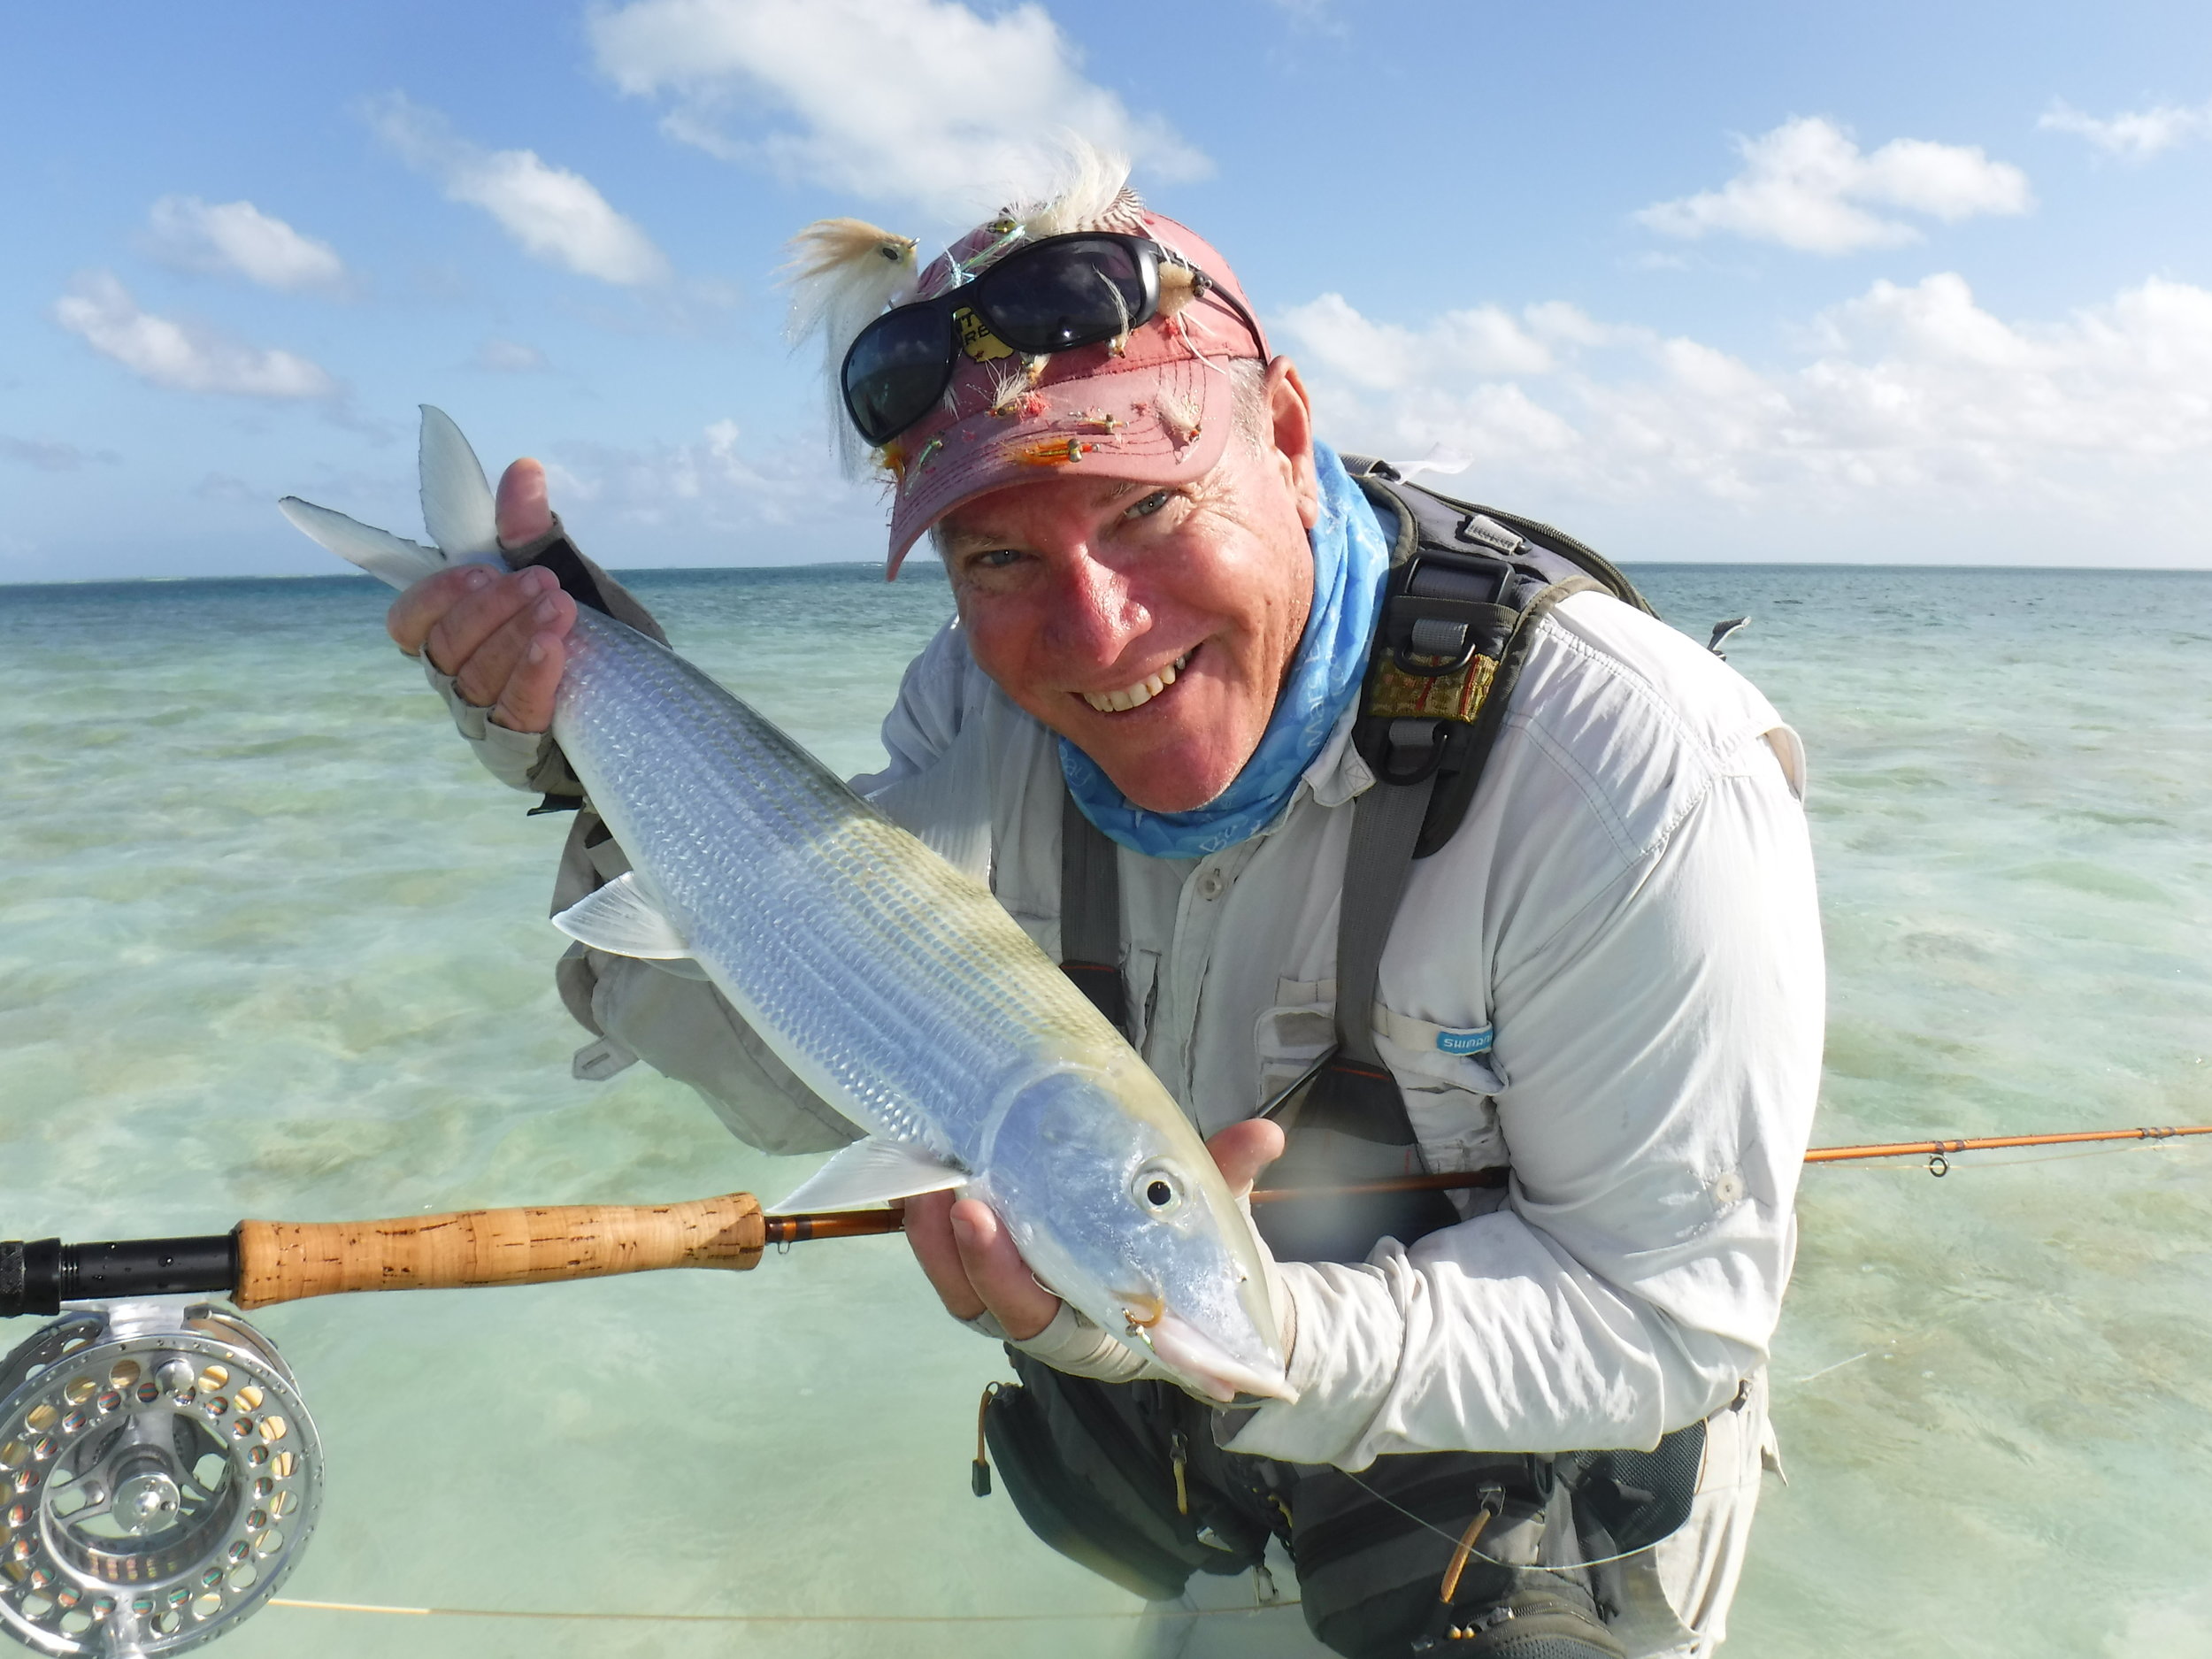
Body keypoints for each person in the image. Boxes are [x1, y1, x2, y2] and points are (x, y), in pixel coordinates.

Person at [384, 157, 1823, 1657]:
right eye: (999, 556)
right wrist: (600, 735)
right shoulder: (978, 707)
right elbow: (797, 1050)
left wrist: (1199, 1332)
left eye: (1143, 511)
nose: (1096, 632)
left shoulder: (1632, 771)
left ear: (1281, 430)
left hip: (1542, 1529)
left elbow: (1670, 1314)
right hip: (1209, 1497)